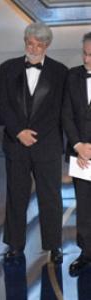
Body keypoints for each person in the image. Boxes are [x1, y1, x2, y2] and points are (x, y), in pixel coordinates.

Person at [0, 22, 67, 263]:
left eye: (39, 44)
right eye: (30, 43)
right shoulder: (7, 68)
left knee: (51, 196)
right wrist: (19, 132)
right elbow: (2, 104)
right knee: (16, 195)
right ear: (24, 41)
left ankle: (54, 245)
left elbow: (60, 110)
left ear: (47, 45)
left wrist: (34, 133)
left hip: (47, 144)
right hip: (16, 143)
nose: (34, 48)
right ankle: (14, 245)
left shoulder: (61, 72)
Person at [62, 32, 91, 277]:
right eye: (85, 53)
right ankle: (86, 252)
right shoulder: (72, 76)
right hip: (80, 154)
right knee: (84, 206)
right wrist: (78, 145)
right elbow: (66, 115)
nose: (87, 59)